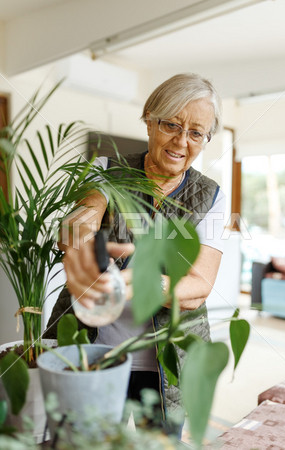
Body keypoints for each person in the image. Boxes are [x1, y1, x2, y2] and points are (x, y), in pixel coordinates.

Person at [44, 73, 225, 428]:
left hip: (169, 364)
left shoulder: (211, 195)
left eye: (195, 133)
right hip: (93, 351)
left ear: (205, 138)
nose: (181, 141)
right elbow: (81, 222)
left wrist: (140, 283)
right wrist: (83, 232)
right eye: (171, 124)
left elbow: (198, 287)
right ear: (149, 122)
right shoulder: (107, 170)